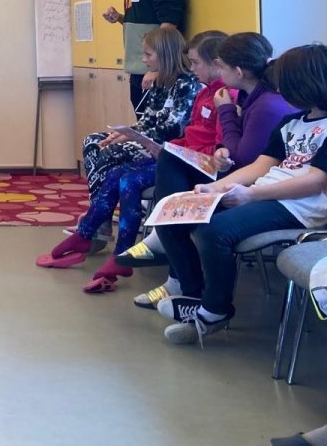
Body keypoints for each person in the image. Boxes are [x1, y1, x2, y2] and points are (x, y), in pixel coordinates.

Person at [155, 43, 327, 346]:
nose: (279, 89)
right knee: (175, 214)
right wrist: (215, 188)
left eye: (285, 83)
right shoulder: (292, 122)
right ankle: (194, 296)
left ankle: (215, 311)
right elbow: (261, 165)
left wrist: (252, 195)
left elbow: (316, 182)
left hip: (300, 206)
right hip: (267, 193)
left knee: (214, 230)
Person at [118, 32, 298, 305]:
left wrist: (225, 112)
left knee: (172, 171)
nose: (218, 72)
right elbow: (230, 147)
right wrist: (222, 148)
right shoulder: (247, 96)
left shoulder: (263, 104)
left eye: (222, 67)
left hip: (253, 180)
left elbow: (243, 159)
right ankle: (169, 245)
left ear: (238, 71)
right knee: (170, 161)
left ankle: (173, 256)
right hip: (236, 170)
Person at [39, 27, 199, 270]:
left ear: (165, 54)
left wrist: (131, 137)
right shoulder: (160, 81)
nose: (143, 60)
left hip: (165, 148)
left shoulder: (187, 84)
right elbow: (147, 120)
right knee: (94, 142)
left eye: (148, 54)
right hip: (148, 139)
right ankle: (100, 219)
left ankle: (97, 222)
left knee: (112, 154)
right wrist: (125, 132)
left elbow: (174, 129)